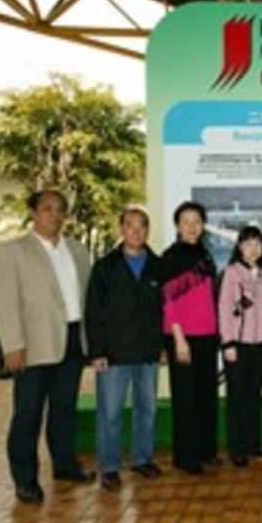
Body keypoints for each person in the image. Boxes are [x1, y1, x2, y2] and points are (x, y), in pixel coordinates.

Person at [0, 189, 93, 504]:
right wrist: (13, 345)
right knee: (28, 413)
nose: (55, 214)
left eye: (60, 209)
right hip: (33, 344)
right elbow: (4, 302)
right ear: (33, 213)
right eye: (47, 208)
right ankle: (25, 479)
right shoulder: (11, 251)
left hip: (73, 340)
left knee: (64, 409)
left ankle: (64, 465)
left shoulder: (77, 250)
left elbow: (87, 297)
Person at [85, 206, 164, 491]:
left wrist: (163, 346)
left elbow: (164, 311)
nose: (136, 231)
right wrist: (96, 352)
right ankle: (109, 467)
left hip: (147, 354)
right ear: (121, 229)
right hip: (114, 355)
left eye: (142, 226)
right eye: (130, 225)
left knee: (148, 409)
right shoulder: (105, 267)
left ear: (147, 230)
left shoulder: (158, 265)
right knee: (110, 413)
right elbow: (93, 312)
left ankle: (142, 459)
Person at [159, 201, 221, 475]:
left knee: (206, 396)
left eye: (197, 221)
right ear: (177, 226)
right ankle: (185, 457)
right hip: (183, 337)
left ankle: (206, 451)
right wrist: (179, 339)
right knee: (185, 398)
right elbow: (168, 302)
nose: (192, 227)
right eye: (186, 222)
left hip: (207, 335)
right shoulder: (171, 257)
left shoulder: (205, 256)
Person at [219, 226, 262, 468]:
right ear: (239, 247)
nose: (254, 249)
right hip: (236, 345)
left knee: (253, 398)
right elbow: (224, 310)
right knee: (237, 399)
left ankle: (253, 444)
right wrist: (227, 343)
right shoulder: (231, 273)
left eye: (258, 244)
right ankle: (236, 448)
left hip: (260, 345)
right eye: (248, 243)